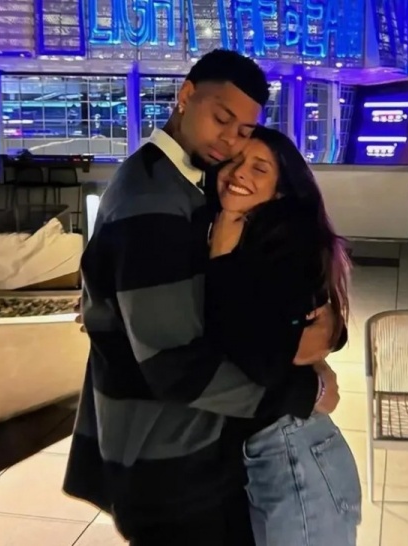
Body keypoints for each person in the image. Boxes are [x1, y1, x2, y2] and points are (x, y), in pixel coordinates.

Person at [63, 49, 340, 546]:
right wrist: (303, 392)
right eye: (221, 118)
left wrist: (325, 326)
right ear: (186, 95)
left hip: (184, 452)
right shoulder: (153, 200)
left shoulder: (187, 187)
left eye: (243, 131)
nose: (229, 141)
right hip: (170, 464)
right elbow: (175, 367)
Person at [205, 126, 362, 546]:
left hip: (293, 451)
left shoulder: (286, 245)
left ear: (280, 191)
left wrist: (221, 260)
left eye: (259, 168)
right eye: (236, 161)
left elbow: (262, 361)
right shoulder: (237, 233)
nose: (240, 172)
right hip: (271, 450)